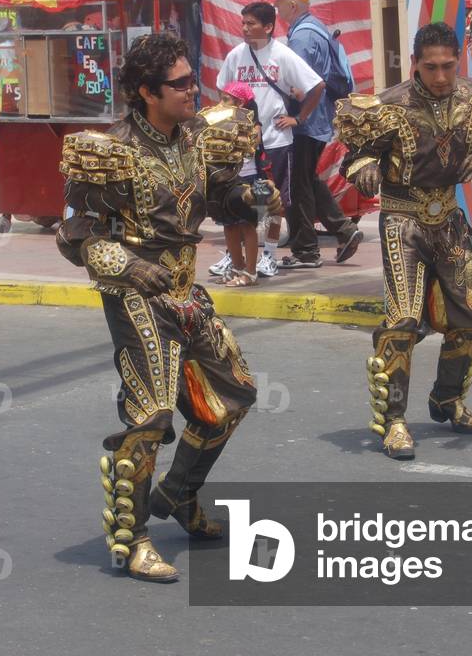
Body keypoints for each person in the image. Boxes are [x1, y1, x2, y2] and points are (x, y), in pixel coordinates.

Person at [56, 33, 278, 581]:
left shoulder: (198, 139)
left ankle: (178, 492)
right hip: (135, 296)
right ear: (146, 92)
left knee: (233, 396)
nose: (191, 90)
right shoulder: (112, 152)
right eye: (179, 84)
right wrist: (131, 266)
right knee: (149, 417)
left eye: (190, 79)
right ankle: (131, 540)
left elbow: (221, 197)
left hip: (185, 290)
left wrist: (248, 197)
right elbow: (75, 235)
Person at [336, 22, 472, 459]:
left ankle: (447, 399)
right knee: (402, 320)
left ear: (458, 60)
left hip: (450, 218)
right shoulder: (387, 105)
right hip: (402, 220)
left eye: (448, 66)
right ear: (416, 63)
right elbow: (354, 156)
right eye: (431, 67)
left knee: (470, 316)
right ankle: (394, 421)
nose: (440, 77)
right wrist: (363, 169)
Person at [214, 0, 324, 279]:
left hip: (275, 143)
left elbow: (317, 85)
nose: (245, 28)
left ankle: (269, 256)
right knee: (236, 201)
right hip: (239, 148)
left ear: (268, 26)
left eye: (251, 23)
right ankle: (234, 256)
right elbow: (221, 90)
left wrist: (298, 119)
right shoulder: (236, 55)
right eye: (243, 23)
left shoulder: (283, 55)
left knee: (271, 202)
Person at [268, 0, 364, 269]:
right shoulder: (315, 29)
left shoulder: (302, 37)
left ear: (292, 4)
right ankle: (345, 231)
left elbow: (299, 85)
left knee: (297, 187)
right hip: (317, 120)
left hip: (305, 122)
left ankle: (306, 251)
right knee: (306, 179)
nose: (275, 7)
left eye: (279, 1)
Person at [211, 82, 271, 287]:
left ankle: (251, 272)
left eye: (226, 99)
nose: (221, 103)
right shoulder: (220, 121)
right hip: (227, 180)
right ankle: (237, 267)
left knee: (248, 226)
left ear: (240, 102)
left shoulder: (254, 125)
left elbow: (251, 147)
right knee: (229, 226)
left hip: (249, 178)